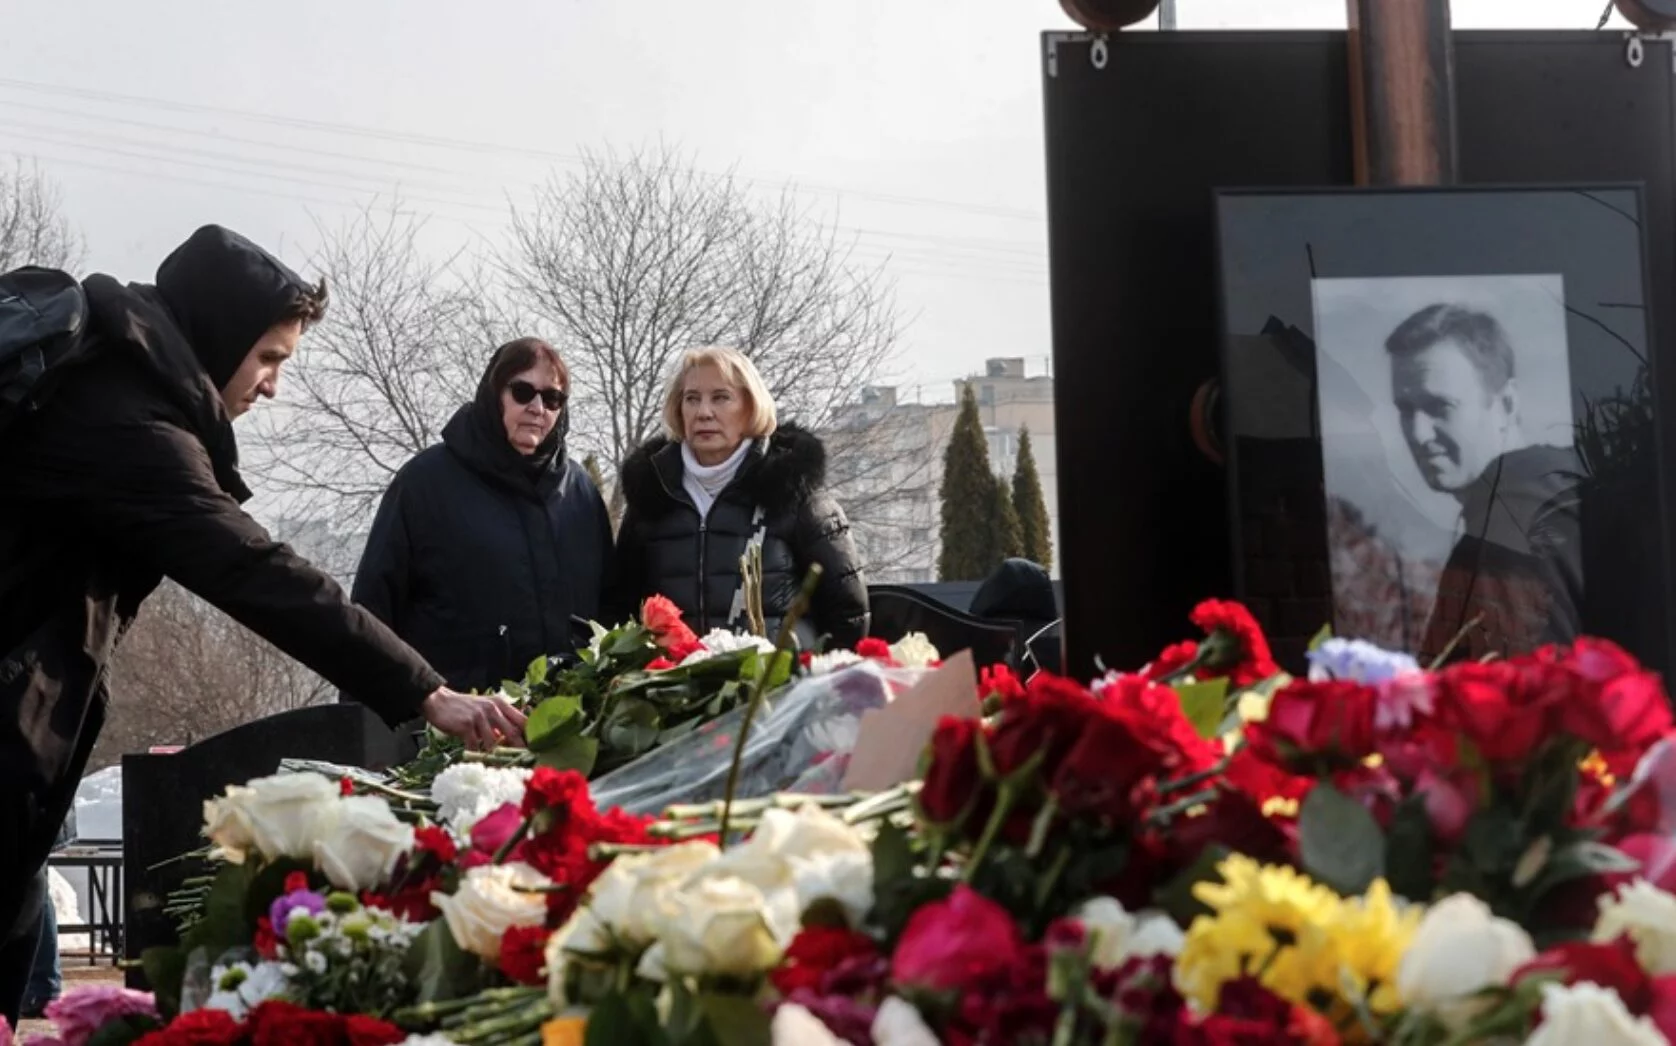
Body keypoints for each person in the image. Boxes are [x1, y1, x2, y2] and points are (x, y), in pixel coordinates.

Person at [0, 225, 526, 1024]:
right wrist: (427, 692)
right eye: (271, 359)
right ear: (221, 334)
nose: (274, 386)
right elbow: (255, 572)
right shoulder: (129, 427)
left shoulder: (108, 382)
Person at [349, 338, 613, 697]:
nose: (538, 407)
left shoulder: (580, 493)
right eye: (523, 392)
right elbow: (374, 607)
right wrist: (365, 723)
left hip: (567, 720)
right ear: (494, 393)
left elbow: (608, 610)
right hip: (453, 724)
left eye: (552, 398)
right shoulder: (425, 483)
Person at [612, 346, 868, 648]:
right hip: (671, 688)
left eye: (721, 397)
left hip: (775, 688)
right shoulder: (651, 496)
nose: (704, 412)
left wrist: (805, 681)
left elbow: (849, 613)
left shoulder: (797, 494)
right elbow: (620, 611)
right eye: (692, 398)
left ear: (751, 406)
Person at [1384, 303, 1584, 662]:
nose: (1417, 432)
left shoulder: (1508, 528)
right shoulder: (1559, 494)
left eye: (1439, 407)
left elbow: (1508, 703)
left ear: (1506, 403)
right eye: (1405, 409)